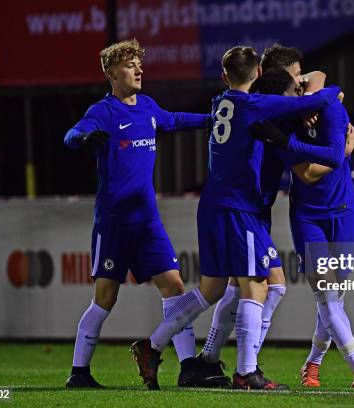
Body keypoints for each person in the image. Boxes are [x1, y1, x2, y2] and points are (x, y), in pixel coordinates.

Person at [129, 45, 343, 391]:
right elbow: (314, 100)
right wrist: (334, 92)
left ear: (224, 76)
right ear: (258, 73)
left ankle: (153, 346)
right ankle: (246, 372)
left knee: (212, 288)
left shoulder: (220, 103)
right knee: (258, 285)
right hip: (239, 208)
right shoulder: (256, 105)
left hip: (213, 204)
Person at [63, 39, 215, 389]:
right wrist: (82, 140)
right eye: (131, 65)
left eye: (139, 64)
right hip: (115, 221)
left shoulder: (147, 106)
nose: (139, 70)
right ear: (112, 73)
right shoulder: (104, 111)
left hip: (148, 221)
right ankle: (79, 373)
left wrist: (214, 118)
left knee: (175, 286)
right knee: (105, 297)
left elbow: (174, 120)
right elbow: (72, 134)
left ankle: (188, 366)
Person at [195, 43, 340, 382]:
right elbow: (306, 170)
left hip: (248, 207)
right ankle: (245, 367)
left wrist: (309, 95)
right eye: (296, 78)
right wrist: (331, 108)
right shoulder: (269, 112)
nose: (301, 84)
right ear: (271, 75)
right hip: (246, 207)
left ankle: (210, 357)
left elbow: (318, 76)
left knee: (239, 286)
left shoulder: (255, 103)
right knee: (264, 285)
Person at [249, 69, 354, 389]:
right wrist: (341, 153)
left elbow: (320, 76)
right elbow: (307, 174)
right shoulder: (277, 125)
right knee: (327, 296)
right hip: (308, 217)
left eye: (299, 81)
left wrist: (336, 151)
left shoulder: (331, 107)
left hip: (343, 211)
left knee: (335, 297)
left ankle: (312, 363)